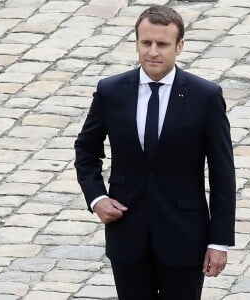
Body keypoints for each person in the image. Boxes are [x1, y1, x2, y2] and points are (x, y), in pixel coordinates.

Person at [75, 5, 236, 300]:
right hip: (127, 234)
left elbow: (223, 173)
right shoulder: (111, 91)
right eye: (145, 43)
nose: (152, 52)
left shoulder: (205, 97)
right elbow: (86, 149)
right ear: (136, 42)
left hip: (184, 236)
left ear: (179, 46)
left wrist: (219, 242)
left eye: (162, 44)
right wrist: (97, 198)